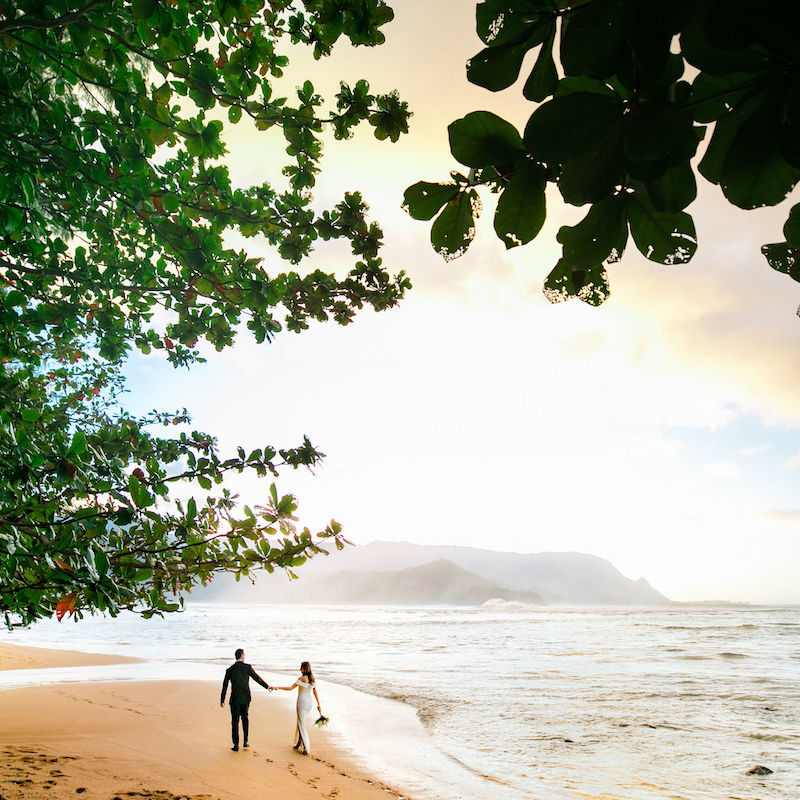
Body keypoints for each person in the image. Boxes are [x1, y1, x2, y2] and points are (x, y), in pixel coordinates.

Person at [220, 648, 271, 751]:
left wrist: (222, 699)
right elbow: (256, 678)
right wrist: (267, 686)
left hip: (234, 699)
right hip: (245, 698)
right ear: (242, 656)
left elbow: (225, 685)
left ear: (236, 656)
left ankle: (236, 745)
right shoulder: (247, 667)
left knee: (235, 721)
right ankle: (246, 741)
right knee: (245, 718)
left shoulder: (230, 670)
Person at [273, 661, 322, 755]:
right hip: (309, 703)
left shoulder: (301, 678)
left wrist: (278, 687)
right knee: (301, 722)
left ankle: (305, 747)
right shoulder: (312, 679)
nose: (300, 669)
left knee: (301, 724)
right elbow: (315, 692)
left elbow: (291, 688)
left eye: (301, 668)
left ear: (304, 668)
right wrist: (319, 704)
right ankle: (299, 743)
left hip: (302, 702)